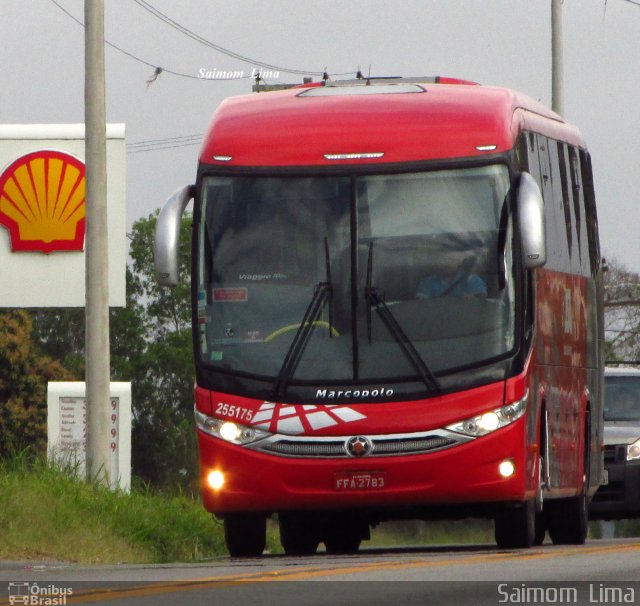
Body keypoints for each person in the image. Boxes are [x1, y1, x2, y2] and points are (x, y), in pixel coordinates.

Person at [416, 254, 487, 299]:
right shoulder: (428, 282)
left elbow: (481, 298)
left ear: (459, 263)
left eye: (450, 260)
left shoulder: (470, 279)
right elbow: (421, 306)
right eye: (442, 261)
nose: (446, 264)